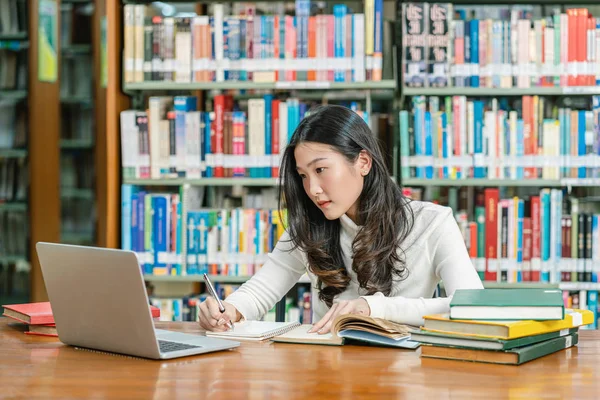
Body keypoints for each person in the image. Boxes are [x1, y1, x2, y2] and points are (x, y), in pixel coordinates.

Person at [198, 104, 483, 334]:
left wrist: (374, 308)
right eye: (303, 176)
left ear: (363, 162)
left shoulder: (432, 223)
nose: (312, 189)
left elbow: (472, 307)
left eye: (321, 169)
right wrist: (229, 309)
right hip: (328, 369)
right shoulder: (310, 225)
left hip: (404, 372)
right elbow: (262, 289)